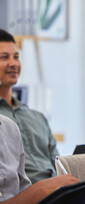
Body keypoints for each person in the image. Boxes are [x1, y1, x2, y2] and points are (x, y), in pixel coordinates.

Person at [0, 29, 58, 183]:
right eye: (4, 57)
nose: (13, 63)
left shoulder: (37, 117)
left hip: (57, 191)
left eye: (16, 57)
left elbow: (58, 164)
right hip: (21, 197)